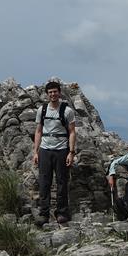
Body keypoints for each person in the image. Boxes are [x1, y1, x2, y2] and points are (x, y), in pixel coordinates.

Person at [32, 80, 77, 225]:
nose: (53, 94)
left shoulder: (67, 111)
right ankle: (44, 214)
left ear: (59, 92)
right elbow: (38, 131)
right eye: (50, 92)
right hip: (45, 150)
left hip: (62, 150)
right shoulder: (42, 110)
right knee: (44, 182)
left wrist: (71, 152)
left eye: (55, 92)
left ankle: (62, 213)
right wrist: (36, 152)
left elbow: (72, 132)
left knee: (62, 182)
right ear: (47, 94)